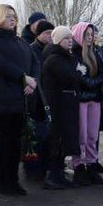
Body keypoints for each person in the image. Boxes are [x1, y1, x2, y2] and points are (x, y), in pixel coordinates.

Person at [0, 4, 40, 196]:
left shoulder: (20, 42)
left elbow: (35, 61)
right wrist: (23, 78)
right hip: (1, 101)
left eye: (14, 16)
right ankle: (5, 182)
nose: (12, 19)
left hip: (21, 100)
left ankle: (13, 180)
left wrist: (33, 81)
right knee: (4, 143)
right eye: (7, 16)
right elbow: (0, 65)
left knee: (15, 144)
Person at [40, 25, 82, 191]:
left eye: (71, 38)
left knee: (64, 140)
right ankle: (53, 176)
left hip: (67, 104)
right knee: (56, 140)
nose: (70, 41)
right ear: (58, 40)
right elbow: (71, 77)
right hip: (58, 105)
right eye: (66, 38)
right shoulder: (54, 58)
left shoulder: (65, 57)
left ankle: (59, 175)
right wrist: (78, 73)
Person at [70, 22, 103, 185]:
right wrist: (93, 82)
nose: (90, 38)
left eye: (92, 34)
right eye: (87, 35)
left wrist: (93, 82)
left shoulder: (96, 54)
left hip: (94, 100)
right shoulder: (73, 55)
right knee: (81, 136)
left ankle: (92, 165)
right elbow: (79, 79)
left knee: (92, 135)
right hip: (81, 100)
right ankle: (78, 167)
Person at [24, 19, 54, 182]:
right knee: (34, 136)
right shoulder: (31, 50)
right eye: (46, 33)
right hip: (35, 98)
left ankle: (44, 167)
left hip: (49, 97)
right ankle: (32, 170)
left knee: (47, 136)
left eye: (51, 32)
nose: (49, 36)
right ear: (38, 34)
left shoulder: (52, 50)